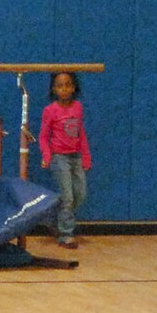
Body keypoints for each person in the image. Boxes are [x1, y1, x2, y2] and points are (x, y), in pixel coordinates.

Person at [38, 69, 92, 248]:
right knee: (67, 196)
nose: (64, 90)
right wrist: (47, 155)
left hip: (76, 156)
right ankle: (66, 234)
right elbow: (44, 136)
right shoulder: (50, 110)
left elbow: (81, 133)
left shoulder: (78, 107)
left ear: (74, 87)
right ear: (54, 89)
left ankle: (54, 219)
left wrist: (86, 156)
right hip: (59, 157)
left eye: (68, 85)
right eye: (60, 86)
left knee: (80, 194)